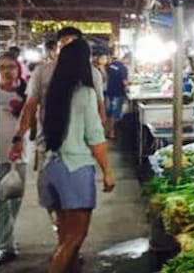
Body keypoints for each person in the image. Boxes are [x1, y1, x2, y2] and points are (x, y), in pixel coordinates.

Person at [21, 40, 114, 273]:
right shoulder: (85, 94)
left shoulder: (51, 93)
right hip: (75, 169)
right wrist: (107, 172)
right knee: (75, 236)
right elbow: (95, 137)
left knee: (64, 234)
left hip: (50, 169)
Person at [11, 27, 106, 172]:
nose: (69, 49)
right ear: (56, 48)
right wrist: (20, 136)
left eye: (73, 44)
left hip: (80, 150)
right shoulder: (42, 72)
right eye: (64, 44)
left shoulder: (93, 74)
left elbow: (100, 108)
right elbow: (30, 106)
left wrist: (98, 141)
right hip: (47, 146)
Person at [0, 53, 27, 264]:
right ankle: (5, 245)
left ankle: (7, 238)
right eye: (2, 67)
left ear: (18, 69)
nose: (7, 71)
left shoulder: (26, 92)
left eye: (11, 67)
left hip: (19, 156)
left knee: (14, 198)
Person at [105, 54, 129, 140]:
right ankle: (112, 132)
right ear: (127, 59)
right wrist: (129, 86)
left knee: (109, 113)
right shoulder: (123, 68)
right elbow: (124, 82)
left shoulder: (111, 65)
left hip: (109, 92)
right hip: (118, 93)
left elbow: (106, 77)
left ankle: (106, 131)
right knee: (115, 113)